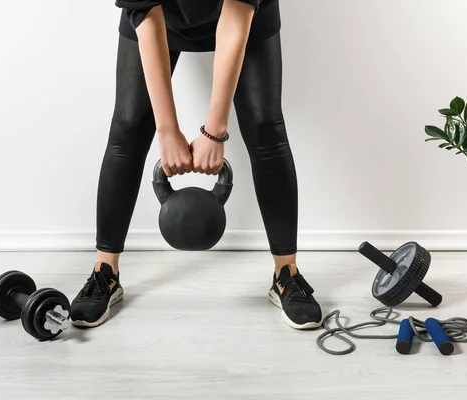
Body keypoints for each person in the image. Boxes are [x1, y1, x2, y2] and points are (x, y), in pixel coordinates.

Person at [69, 0, 323, 330]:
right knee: (128, 127)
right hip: (157, 16)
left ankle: (286, 273)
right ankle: (106, 272)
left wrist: (214, 133)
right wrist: (167, 129)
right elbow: (146, 16)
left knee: (265, 126)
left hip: (245, 14)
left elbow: (235, 18)